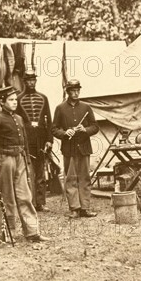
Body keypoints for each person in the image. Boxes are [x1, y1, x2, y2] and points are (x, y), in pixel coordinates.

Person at [0, 86, 49, 242]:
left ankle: (32, 232)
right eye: (10, 100)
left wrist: (27, 161)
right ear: (2, 101)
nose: (14, 102)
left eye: (15, 99)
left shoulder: (18, 118)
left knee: (25, 196)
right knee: (7, 198)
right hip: (5, 160)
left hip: (20, 159)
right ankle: (7, 233)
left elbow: (23, 141)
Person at [51, 79, 99, 218]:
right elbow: (54, 129)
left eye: (78, 90)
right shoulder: (60, 108)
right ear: (68, 92)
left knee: (85, 178)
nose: (76, 93)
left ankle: (85, 208)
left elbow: (95, 127)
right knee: (71, 178)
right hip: (68, 148)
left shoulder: (86, 107)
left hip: (84, 147)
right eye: (73, 90)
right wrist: (65, 133)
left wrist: (85, 129)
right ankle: (74, 208)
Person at [16, 70, 53, 212]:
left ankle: (41, 202)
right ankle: (29, 202)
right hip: (26, 140)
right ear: (24, 82)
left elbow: (49, 121)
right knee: (27, 173)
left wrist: (49, 140)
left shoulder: (43, 98)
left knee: (40, 172)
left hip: (41, 139)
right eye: (28, 80)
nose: (31, 82)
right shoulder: (18, 99)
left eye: (33, 80)